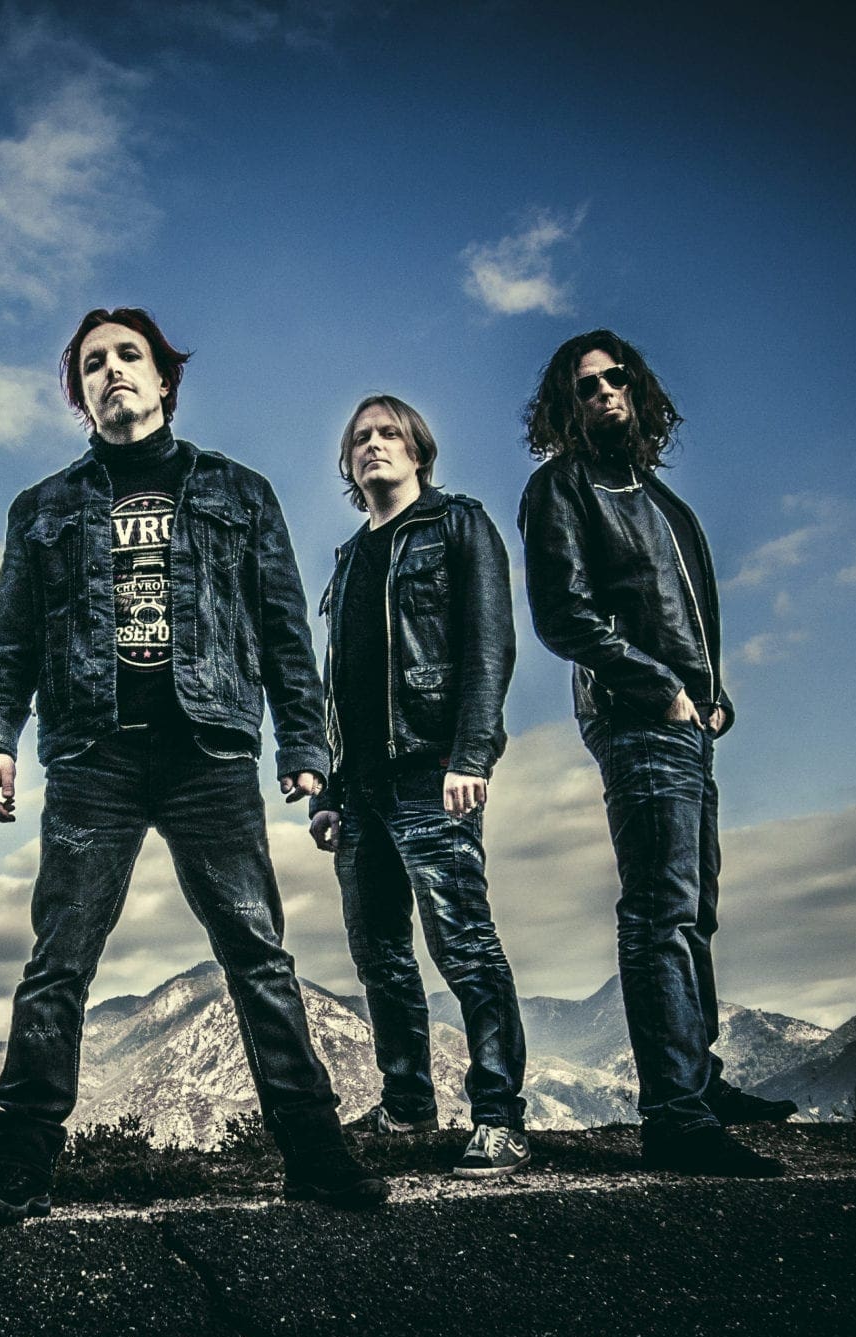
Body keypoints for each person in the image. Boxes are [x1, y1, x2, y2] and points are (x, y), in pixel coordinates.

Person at [0, 307, 386, 1226]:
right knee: (58, 959)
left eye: (130, 356)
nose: (113, 370)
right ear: (80, 393)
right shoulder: (41, 508)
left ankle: (316, 1155)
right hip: (91, 756)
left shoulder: (238, 491)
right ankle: (19, 1167)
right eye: (93, 363)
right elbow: (13, 644)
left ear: (163, 379)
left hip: (209, 751)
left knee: (258, 954)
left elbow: (282, 630)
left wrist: (305, 744)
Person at [517, 330, 795, 1178]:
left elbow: (693, 614)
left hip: (687, 724)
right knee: (658, 911)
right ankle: (675, 1114)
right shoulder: (561, 487)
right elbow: (562, 614)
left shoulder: (667, 504)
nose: (605, 390)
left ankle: (699, 1083)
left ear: (638, 390)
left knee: (694, 906)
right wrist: (658, 687)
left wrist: (713, 695)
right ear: (565, 403)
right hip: (637, 717)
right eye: (586, 383)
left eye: (617, 377)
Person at [309, 394, 530, 1175]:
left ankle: (500, 1117)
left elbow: (489, 646)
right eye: (360, 437)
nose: (373, 444)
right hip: (361, 788)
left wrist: (472, 756)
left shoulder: (456, 525)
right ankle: (407, 1106)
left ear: (417, 451)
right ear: (349, 462)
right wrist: (329, 790)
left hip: (432, 771)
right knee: (379, 955)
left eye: (388, 433)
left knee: (463, 944)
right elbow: (339, 685)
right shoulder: (347, 559)